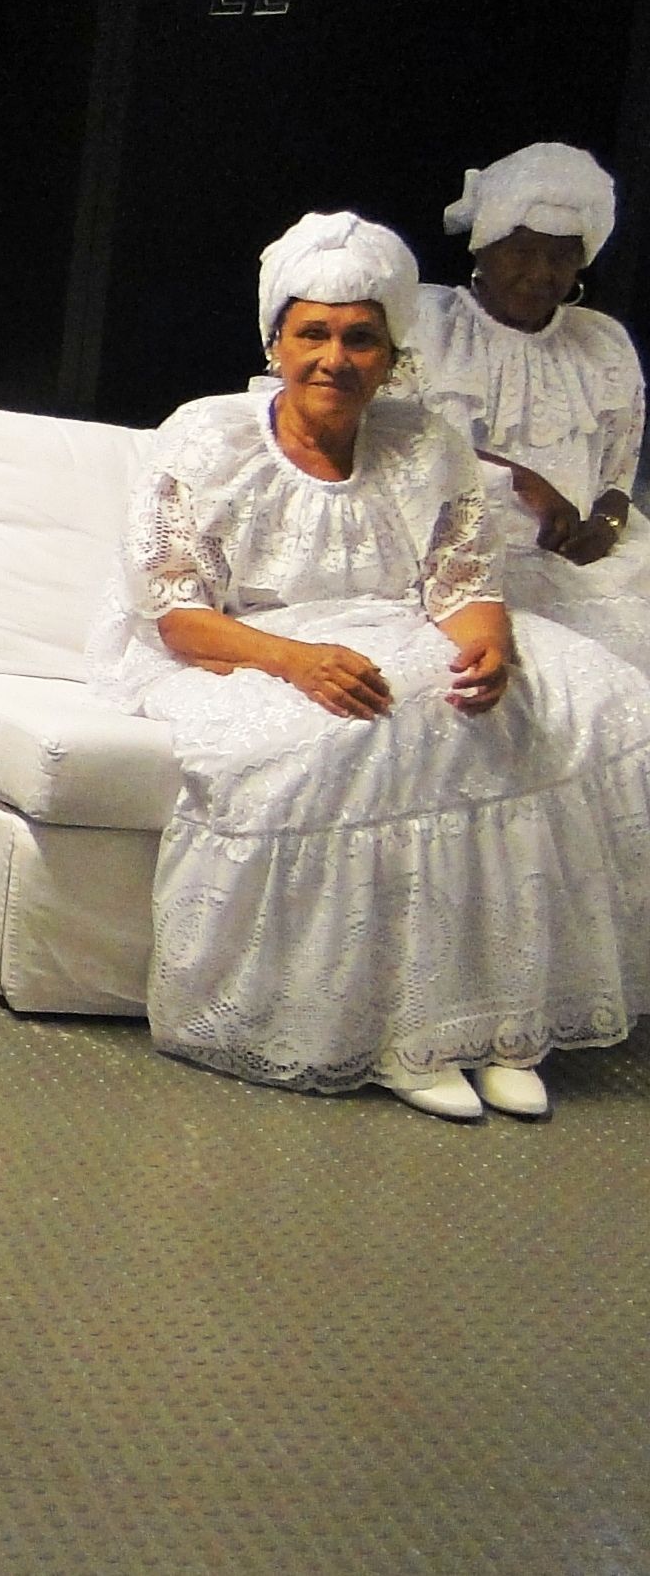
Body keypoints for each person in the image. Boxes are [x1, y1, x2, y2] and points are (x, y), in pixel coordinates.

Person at [98, 212, 650, 1121]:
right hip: (240, 654)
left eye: (361, 339)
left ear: (392, 356)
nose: (335, 358)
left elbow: (462, 583)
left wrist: (491, 642)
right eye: (312, 333)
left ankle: (506, 1022)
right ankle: (395, 1033)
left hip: (391, 633)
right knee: (376, 732)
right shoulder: (208, 437)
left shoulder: (428, 445)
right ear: (275, 342)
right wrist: (296, 661)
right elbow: (178, 616)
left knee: (581, 697)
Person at [409, 141, 650, 669]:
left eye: (562, 252)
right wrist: (527, 483)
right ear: (483, 247)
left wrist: (606, 525)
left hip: (577, 562)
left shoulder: (603, 343)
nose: (541, 271)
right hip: (449, 558)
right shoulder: (426, 324)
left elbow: (619, 471)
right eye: (522, 249)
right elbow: (393, 442)